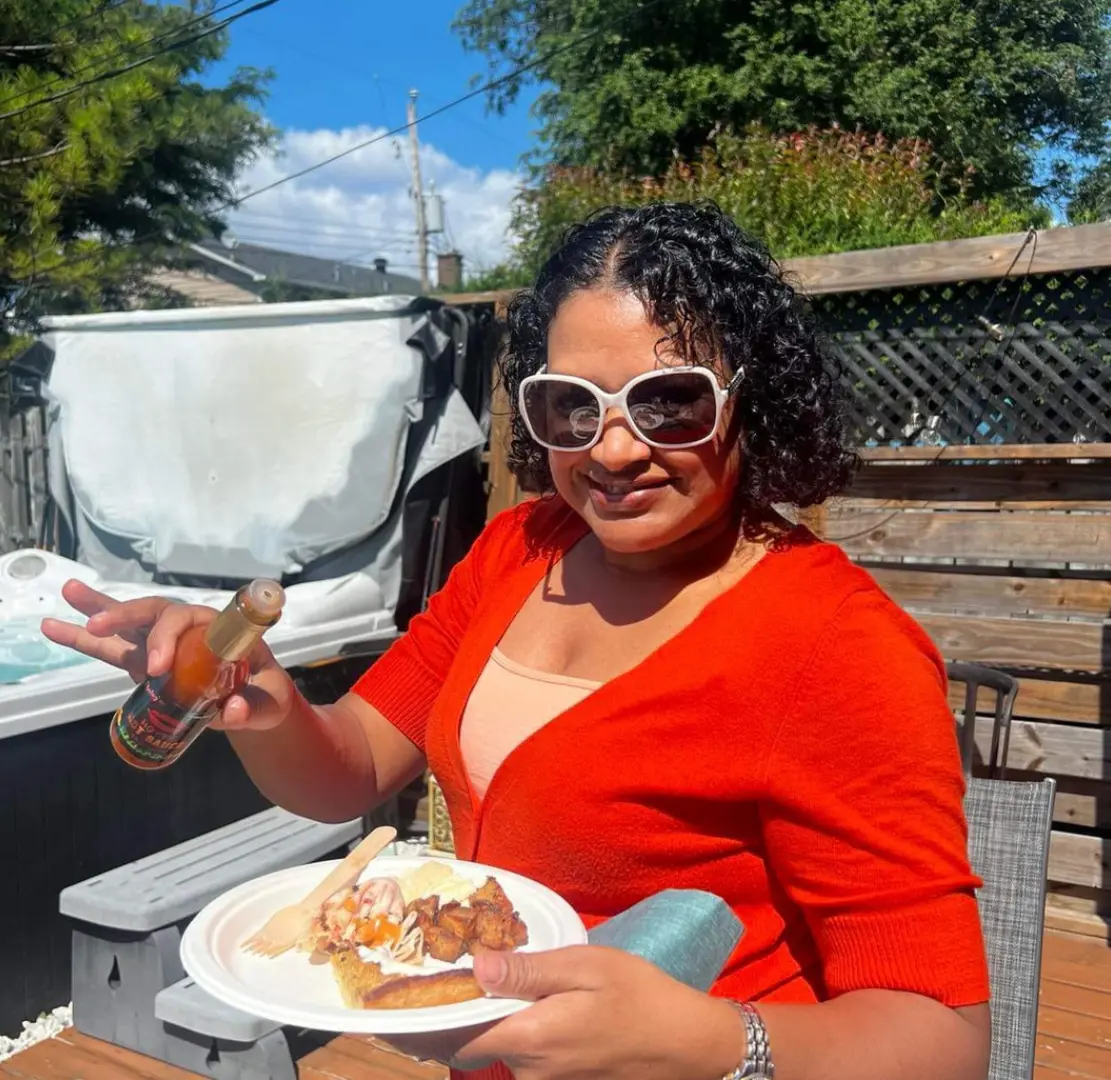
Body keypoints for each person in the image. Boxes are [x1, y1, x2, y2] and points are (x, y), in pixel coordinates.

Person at [43, 202, 991, 1080]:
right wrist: (263, 702)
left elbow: (940, 1035)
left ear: (753, 398)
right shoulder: (517, 551)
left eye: (669, 401)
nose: (613, 450)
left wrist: (713, 1043)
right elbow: (349, 768)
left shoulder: (838, 645)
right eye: (572, 406)